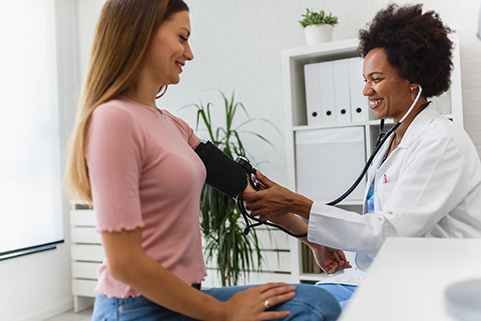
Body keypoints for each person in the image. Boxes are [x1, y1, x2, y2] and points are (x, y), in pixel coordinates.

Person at [65, 0, 342, 320]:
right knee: (311, 309)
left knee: (316, 303)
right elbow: (124, 263)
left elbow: (246, 188)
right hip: (135, 306)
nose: (189, 53)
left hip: (181, 295)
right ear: (141, 33)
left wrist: (309, 237)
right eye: (182, 38)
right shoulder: (113, 119)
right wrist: (223, 312)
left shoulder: (171, 124)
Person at [243, 3, 481, 310]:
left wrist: (296, 203)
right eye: (365, 80)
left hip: (433, 281)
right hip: (381, 274)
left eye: (376, 78)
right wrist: (315, 234)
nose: (366, 90)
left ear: (413, 78)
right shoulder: (391, 141)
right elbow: (376, 225)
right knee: (277, 299)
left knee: (293, 308)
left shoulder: (441, 141)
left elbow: (390, 231)